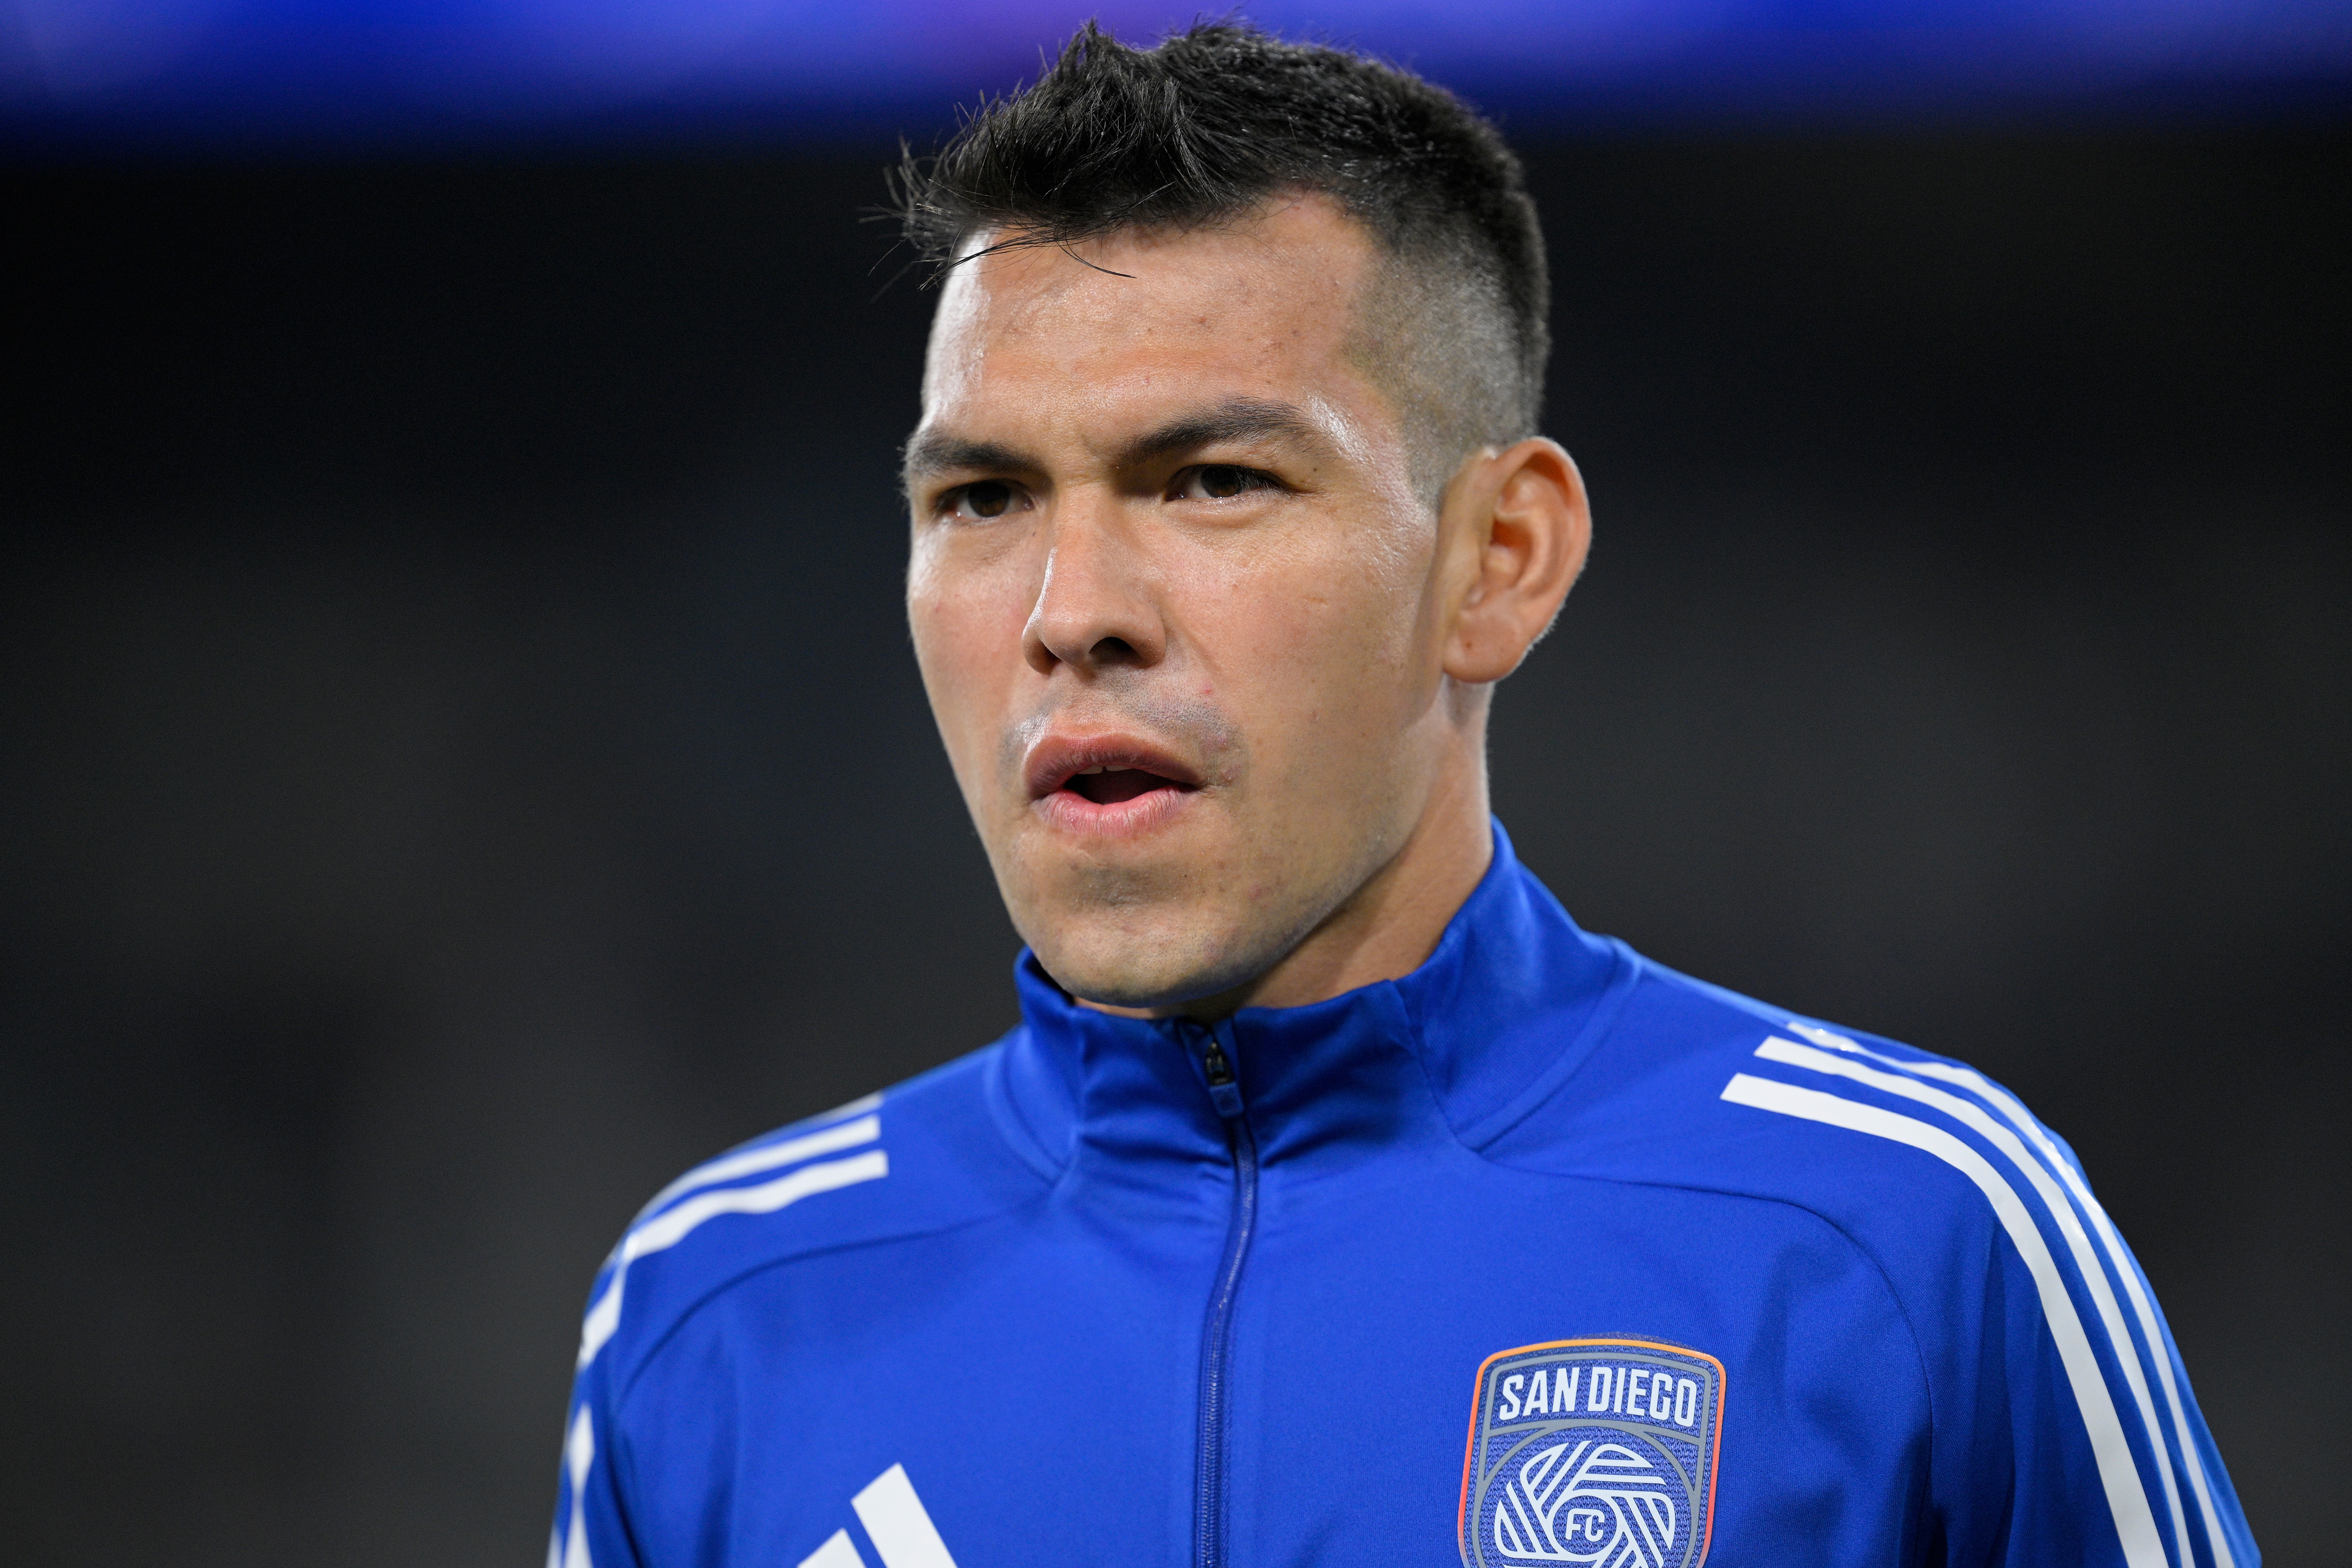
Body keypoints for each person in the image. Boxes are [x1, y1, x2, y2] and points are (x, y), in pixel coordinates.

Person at [549, 23, 2254, 1568]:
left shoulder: (1905, 1239)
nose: (1072, 611)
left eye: (1212, 479)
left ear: (1498, 559)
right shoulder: (716, 1320)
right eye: (986, 499)